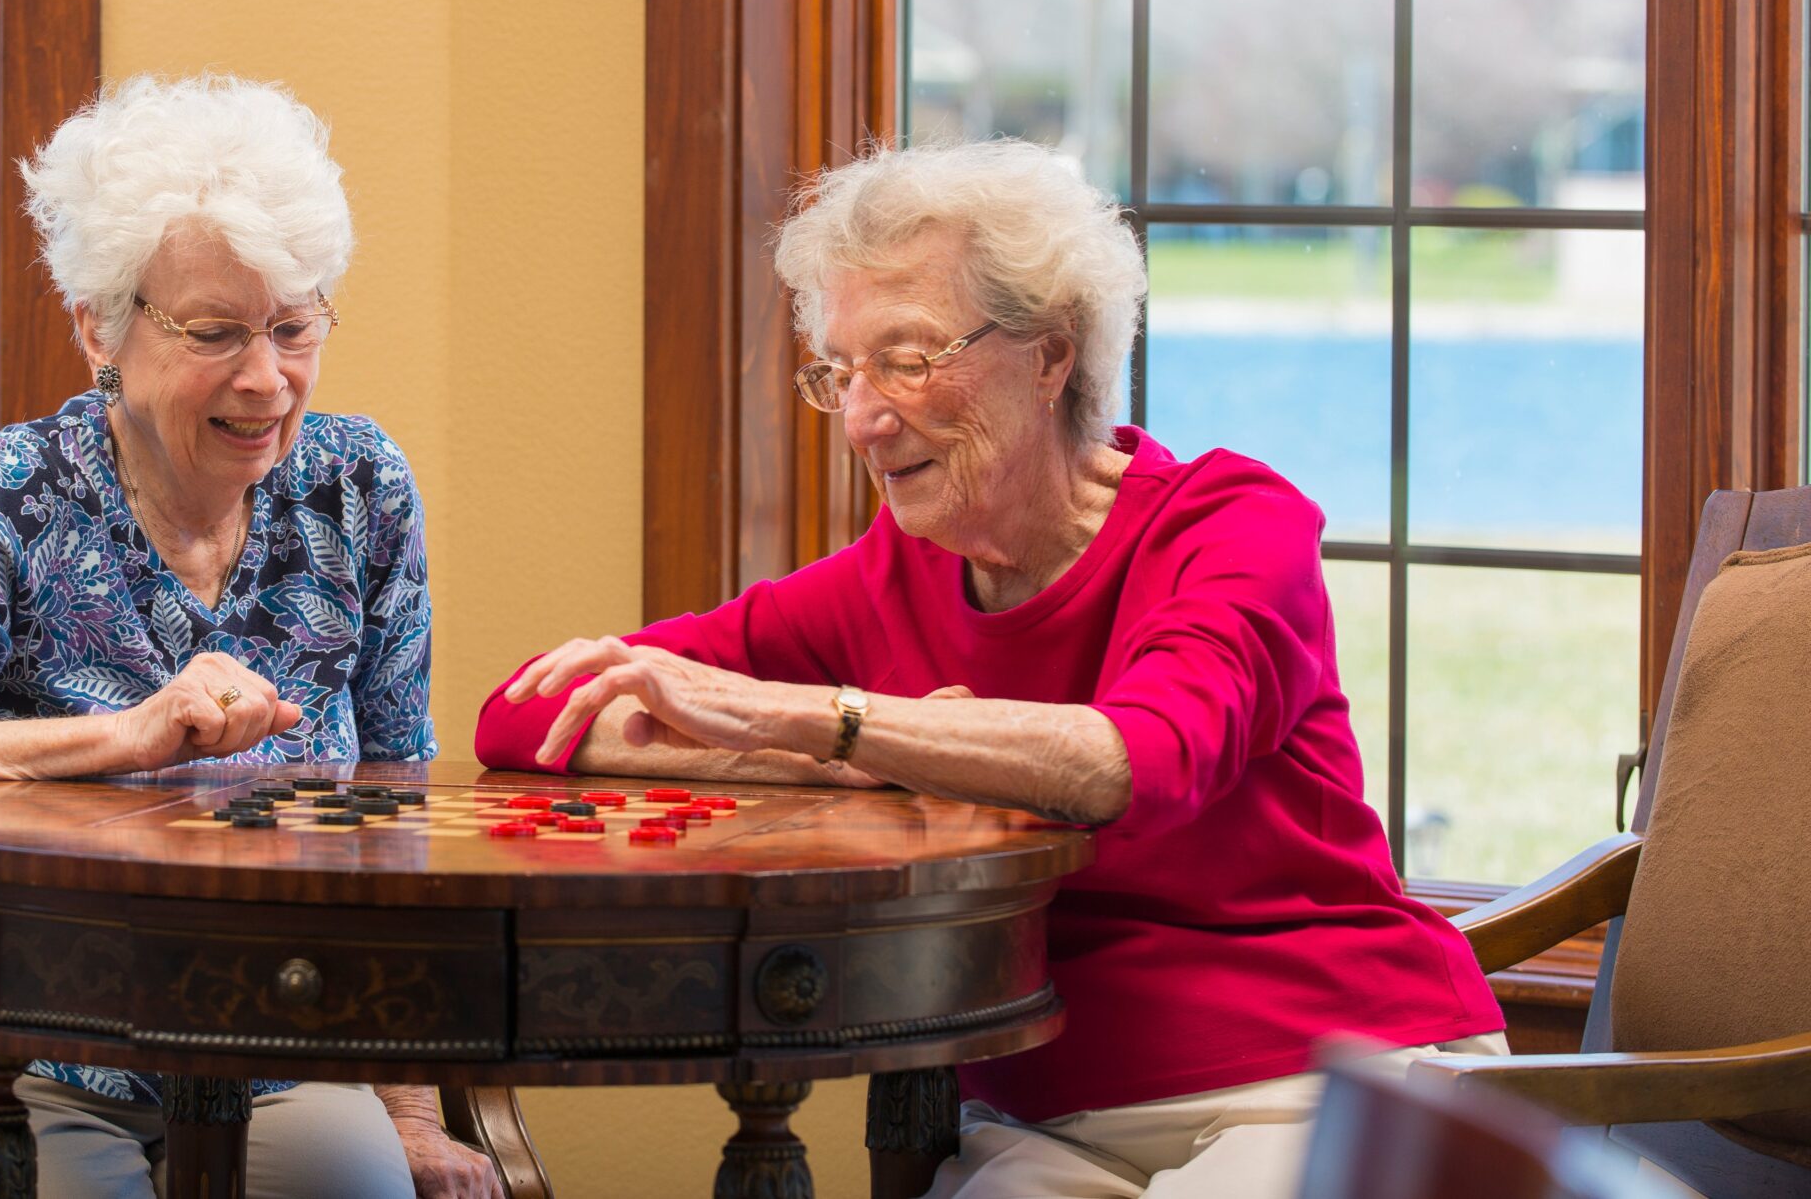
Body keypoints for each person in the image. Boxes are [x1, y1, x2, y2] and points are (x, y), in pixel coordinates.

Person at [476, 138, 1506, 1199]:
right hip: (1057, 1119)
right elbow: (520, 717)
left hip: (1328, 1075)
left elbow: (1135, 763)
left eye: (910, 359)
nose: (866, 417)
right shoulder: (892, 576)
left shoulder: (1229, 525)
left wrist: (823, 717)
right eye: (843, 370)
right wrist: (842, 762)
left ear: (1050, 353)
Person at [0, 74, 494, 1199]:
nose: (266, 380)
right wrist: (125, 737)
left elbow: (396, 808)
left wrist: (407, 1106)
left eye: (294, 326)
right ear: (99, 328)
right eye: (214, 332)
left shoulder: (359, 491)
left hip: (268, 1045)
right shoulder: (18, 493)